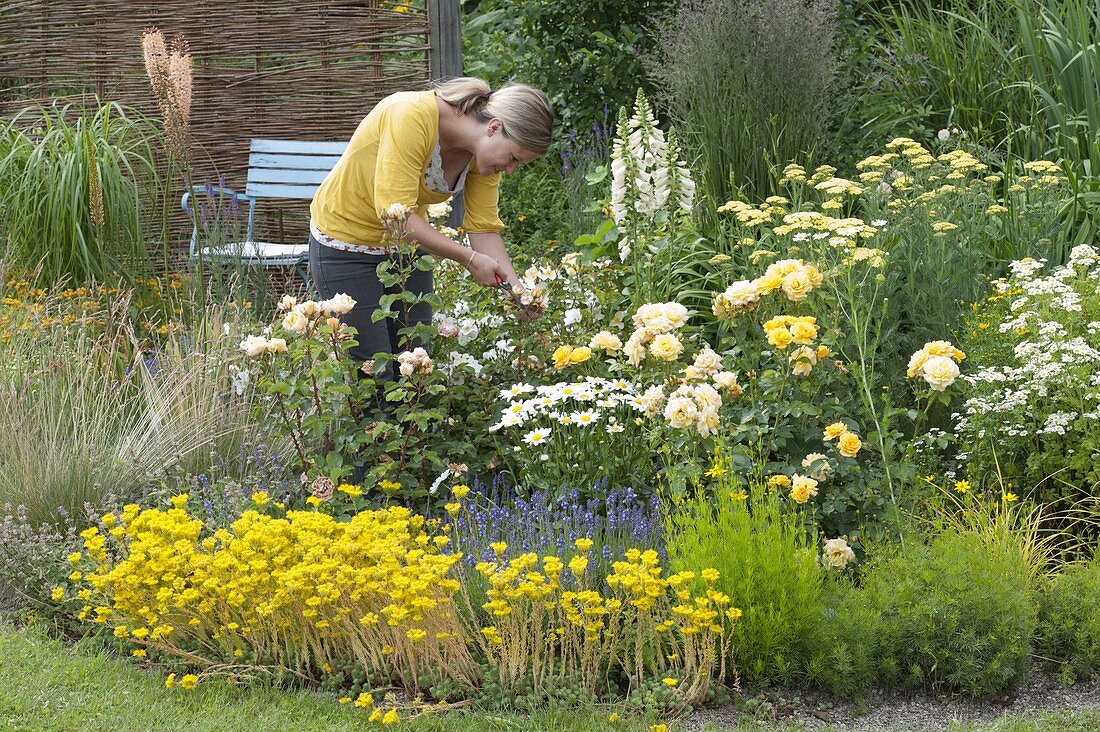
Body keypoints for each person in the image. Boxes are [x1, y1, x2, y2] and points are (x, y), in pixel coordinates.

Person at [308, 77, 554, 378]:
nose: (512, 169)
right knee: (374, 376)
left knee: (415, 370)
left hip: (406, 253)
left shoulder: (483, 156)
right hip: (346, 247)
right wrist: (469, 259)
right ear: (494, 128)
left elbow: (484, 228)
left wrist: (518, 294)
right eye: (514, 158)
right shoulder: (410, 115)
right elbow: (395, 217)